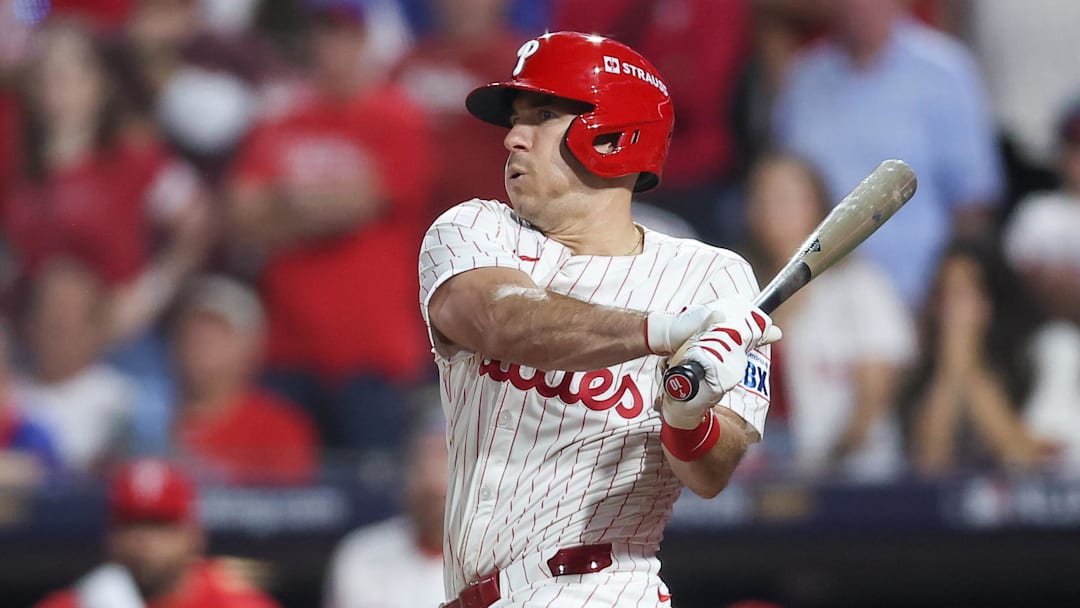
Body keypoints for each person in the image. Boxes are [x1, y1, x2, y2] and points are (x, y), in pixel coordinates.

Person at [418, 32, 780, 607]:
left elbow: (713, 473)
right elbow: (501, 320)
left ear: (613, 133)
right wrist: (660, 331)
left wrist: (688, 417)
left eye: (541, 115)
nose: (512, 137)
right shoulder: (474, 230)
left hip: (603, 586)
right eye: (515, 119)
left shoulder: (712, 277)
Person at [226, 0, 435, 456]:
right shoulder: (282, 120)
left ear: (362, 40)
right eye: (320, 32)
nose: (328, 46)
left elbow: (360, 205)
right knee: (284, 497)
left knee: (375, 493)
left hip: (370, 352)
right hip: (287, 349)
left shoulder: (397, 117)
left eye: (339, 33)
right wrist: (325, 203)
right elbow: (241, 216)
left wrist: (284, 200)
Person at [3, 21, 215, 454]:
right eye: (46, 72)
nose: (54, 86)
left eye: (68, 72)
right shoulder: (20, 170)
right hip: (38, 347)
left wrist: (152, 290)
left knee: (142, 451)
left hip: (118, 342)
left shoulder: (131, 160)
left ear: (98, 84)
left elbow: (198, 217)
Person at [771, 0, 1004, 309]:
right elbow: (780, 192)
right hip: (817, 302)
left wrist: (943, 303)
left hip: (919, 297)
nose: (861, 8)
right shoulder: (804, 79)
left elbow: (973, 207)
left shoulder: (946, 72)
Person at [742, 153, 915, 480]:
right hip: (760, 480)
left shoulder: (862, 285)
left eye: (787, 197)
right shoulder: (737, 286)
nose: (773, 208)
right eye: (763, 197)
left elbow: (875, 394)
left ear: (819, 206)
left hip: (854, 479)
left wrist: (820, 473)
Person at [33, 458, 283, 608]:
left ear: (195, 535)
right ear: (109, 536)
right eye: (130, 524)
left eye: (159, 525)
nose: (142, 540)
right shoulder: (83, 602)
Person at [905, 239, 1058, 477]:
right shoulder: (915, 374)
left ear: (989, 302)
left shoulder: (1038, 356)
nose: (950, 309)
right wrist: (951, 372)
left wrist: (967, 364)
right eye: (942, 295)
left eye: (961, 294)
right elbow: (930, 465)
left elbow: (1022, 458)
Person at [170, 275, 319, 484]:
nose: (202, 341)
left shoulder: (277, 431)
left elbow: (290, 507)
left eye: (219, 332)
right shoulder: (150, 418)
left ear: (251, 346)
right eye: (193, 329)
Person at [15, 259, 137, 474]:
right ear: (30, 325)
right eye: (49, 318)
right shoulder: (11, 396)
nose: (56, 334)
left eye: (67, 325)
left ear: (95, 330)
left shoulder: (120, 400)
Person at [323, 398, 447, 608]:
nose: (432, 478)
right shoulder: (361, 555)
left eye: (445, 459)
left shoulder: (501, 564)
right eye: (421, 462)